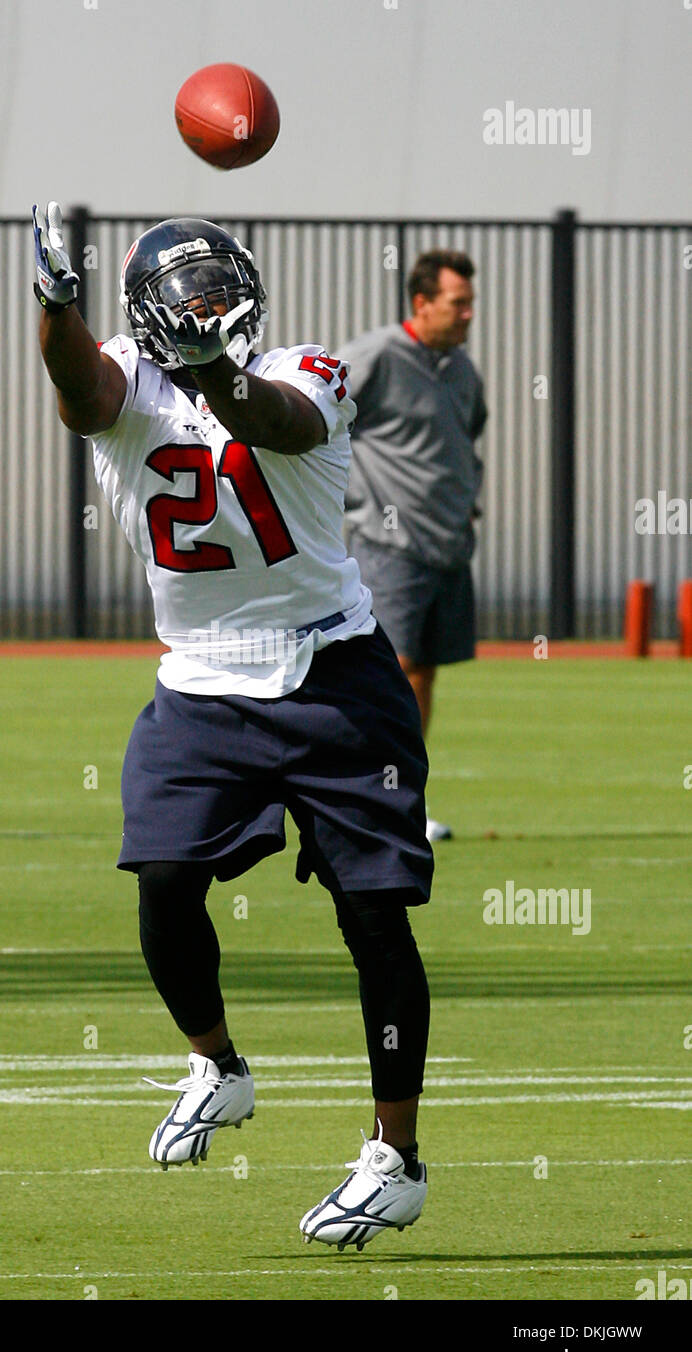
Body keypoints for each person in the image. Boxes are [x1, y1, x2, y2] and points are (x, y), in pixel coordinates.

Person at [33, 202, 434, 1249]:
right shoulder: (122, 372)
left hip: (336, 673)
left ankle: (395, 1156)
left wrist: (213, 368)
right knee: (163, 880)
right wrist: (53, 307)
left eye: (219, 287)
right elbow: (79, 394)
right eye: (186, 294)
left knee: (375, 918)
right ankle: (218, 1063)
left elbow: (275, 423)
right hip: (203, 683)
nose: (206, 306)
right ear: (148, 311)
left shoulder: (311, 370)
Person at [339, 250, 487, 841]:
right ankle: (366, 802)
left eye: (471, 303)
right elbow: (319, 414)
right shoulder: (375, 355)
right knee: (390, 675)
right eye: (459, 303)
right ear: (421, 303)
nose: (469, 314)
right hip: (387, 542)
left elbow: (466, 436)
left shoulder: (462, 368)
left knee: (421, 677)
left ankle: (402, 801)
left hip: (448, 546)